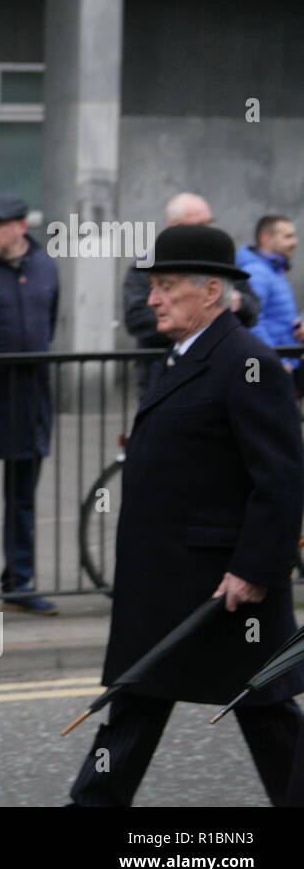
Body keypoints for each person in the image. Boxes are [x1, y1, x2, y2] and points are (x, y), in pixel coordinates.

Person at [69, 224, 304, 806]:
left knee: (268, 712)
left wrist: (254, 569)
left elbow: (280, 477)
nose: (151, 300)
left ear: (211, 291)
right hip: (168, 581)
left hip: (223, 588)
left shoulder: (248, 362)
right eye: (153, 286)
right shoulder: (181, 356)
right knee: (137, 702)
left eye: (166, 286)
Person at [0, 193, 59, 616]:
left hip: (30, 401)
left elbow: (50, 324)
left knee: (23, 498)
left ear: (20, 227)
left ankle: (19, 583)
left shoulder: (45, 267)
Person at [122, 193, 258, 390]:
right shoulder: (145, 267)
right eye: (198, 225)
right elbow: (137, 319)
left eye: (209, 223)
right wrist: (187, 321)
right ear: (172, 227)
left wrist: (237, 304)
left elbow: (253, 309)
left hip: (220, 370)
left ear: (213, 290)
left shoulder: (224, 266)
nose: (154, 299)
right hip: (163, 374)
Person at [236, 214, 300, 373]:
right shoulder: (257, 272)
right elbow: (252, 322)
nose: (295, 242)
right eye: (288, 236)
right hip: (273, 366)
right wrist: (276, 361)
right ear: (266, 238)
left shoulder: (274, 270)